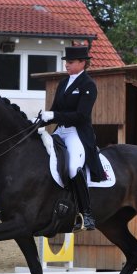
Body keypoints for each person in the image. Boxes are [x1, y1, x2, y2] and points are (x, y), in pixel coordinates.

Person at [40, 46, 106, 231]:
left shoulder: (88, 85)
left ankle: (87, 213)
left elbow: (82, 116)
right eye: (66, 62)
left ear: (82, 63)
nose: (66, 65)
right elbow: (55, 110)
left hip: (77, 132)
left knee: (71, 168)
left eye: (70, 62)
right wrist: (39, 124)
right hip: (61, 130)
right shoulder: (63, 83)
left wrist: (54, 115)